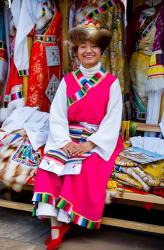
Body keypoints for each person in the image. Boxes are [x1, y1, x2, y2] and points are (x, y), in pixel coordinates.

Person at [32, 21, 123, 250]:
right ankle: (55, 225)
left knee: (82, 166)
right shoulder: (67, 81)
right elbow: (58, 115)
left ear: (101, 50)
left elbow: (113, 120)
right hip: (68, 136)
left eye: (93, 46)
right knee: (50, 163)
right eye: (83, 46)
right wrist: (64, 142)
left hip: (97, 137)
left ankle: (66, 219)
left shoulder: (112, 83)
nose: (88, 50)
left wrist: (91, 144)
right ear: (76, 51)